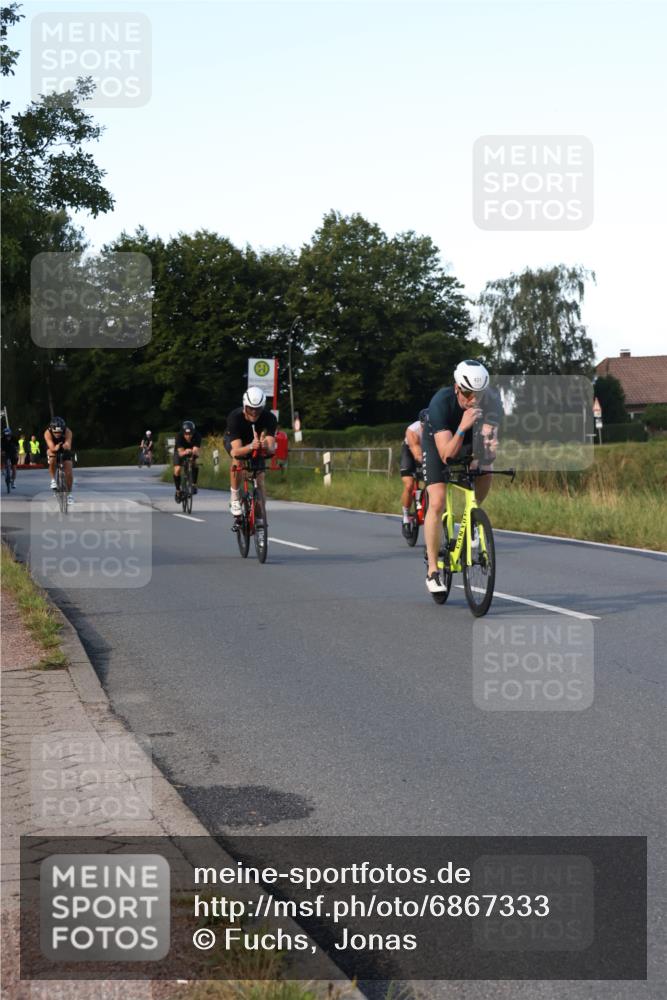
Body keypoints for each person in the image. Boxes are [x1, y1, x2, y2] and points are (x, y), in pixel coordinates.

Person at [422, 360, 500, 593]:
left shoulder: (492, 401)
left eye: (479, 394)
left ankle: (474, 520)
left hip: (468, 438)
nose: (473, 399)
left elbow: (490, 447)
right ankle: (433, 571)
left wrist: (489, 447)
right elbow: (446, 455)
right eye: (468, 393)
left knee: (485, 467)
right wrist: (462, 426)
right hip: (440, 442)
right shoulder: (441, 403)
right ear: (457, 388)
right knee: (437, 500)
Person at [223, 387, 277, 516]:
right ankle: (235, 496)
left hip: (256, 443)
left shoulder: (270, 418)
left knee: (260, 479)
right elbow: (236, 451)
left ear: (263, 407)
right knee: (238, 460)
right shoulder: (235, 417)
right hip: (237, 442)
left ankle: (259, 517)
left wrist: (265, 445)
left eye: (258, 409)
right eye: (250, 408)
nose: (254, 412)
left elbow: (271, 448)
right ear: (244, 406)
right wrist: (251, 446)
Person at [399, 409, 426, 536]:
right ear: (421, 424)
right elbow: (417, 453)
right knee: (409, 484)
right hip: (410, 452)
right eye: (424, 426)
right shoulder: (413, 430)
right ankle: (405, 516)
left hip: (426, 450)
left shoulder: (439, 427)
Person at [44, 416, 74, 504]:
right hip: (53, 447)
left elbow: (68, 444)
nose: (58, 434)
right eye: (55, 432)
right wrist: (55, 448)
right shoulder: (47, 433)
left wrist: (65, 446)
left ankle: (69, 494)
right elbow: (51, 446)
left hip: (64, 448)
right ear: (51, 429)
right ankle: (53, 479)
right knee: (52, 456)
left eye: (60, 432)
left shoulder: (68, 431)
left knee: (69, 471)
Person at [172, 421, 201, 502]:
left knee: (194, 463)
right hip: (180, 451)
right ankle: (178, 490)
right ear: (183, 433)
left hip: (191, 450)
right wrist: (185, 452)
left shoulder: (197, 436)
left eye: (190, 434)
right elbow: (180, 453)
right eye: (186, 434)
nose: (188, 436)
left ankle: (194, 484)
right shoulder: (179, 436)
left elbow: (196, 450)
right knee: (177, 469)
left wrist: (192, 454)